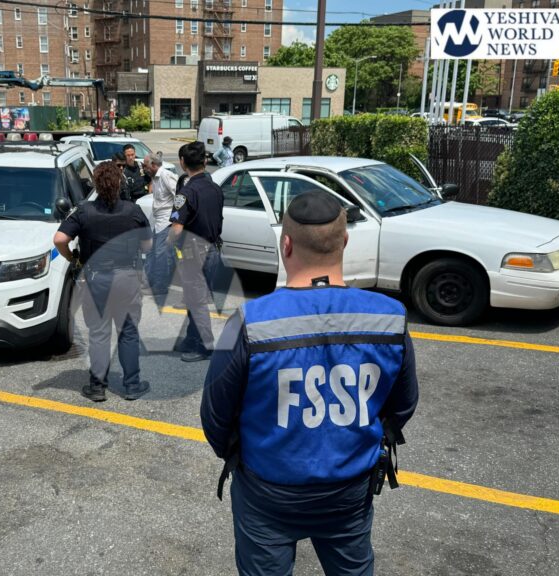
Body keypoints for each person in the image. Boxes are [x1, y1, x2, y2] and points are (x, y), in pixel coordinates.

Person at [200, 189, 419, 576]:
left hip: (267, 491)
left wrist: (245, 457)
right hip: (349, 489)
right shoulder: (390, 316)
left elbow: (216, 416)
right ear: (345, 241)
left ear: (285, 245)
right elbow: (402, 406)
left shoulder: (249, 322)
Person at [54, 162, 153, 402]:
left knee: (99, 333)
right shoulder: (133, 211)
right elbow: (148, 245)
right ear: (119, 183)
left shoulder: (84, 211)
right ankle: (132, 385)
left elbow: (59, 239)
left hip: (96, 278)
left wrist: (72, 258)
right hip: (127, 277)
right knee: (128, 332)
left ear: (96, 185)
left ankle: (97, 386)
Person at [168, 141, 224, 362]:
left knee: (197, 300)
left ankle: (204, 345)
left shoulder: (186, 192)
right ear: (205, 162)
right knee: (195, 297)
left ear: (182, 163)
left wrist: (168, 243)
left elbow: (176, 229)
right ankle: (192, 338)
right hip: (213, 250)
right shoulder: (215, 188)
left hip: (194, 253)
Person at [142, 153, 178, 298]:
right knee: (152, 253)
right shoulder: (155, 177)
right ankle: (150, 283)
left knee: (161, 255)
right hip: (158, 222)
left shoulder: (166, 176)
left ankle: (161, 287)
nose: (144, 169)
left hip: (167, 222)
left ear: (154, 165)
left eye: (145, 166)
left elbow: (180, 197)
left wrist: (175, 220)